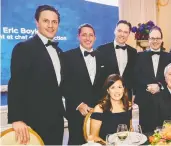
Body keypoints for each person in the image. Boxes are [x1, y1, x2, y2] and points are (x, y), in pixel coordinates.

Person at [8, 5, 65, 144]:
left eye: (54, 22)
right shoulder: (24, 48)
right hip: (33, 123)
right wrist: (17, 119)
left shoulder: (59, 52)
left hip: (57, 122)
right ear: (37, 22)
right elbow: (16, 85)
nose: (51, 25)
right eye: (46, 21)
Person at [63, 24, 110, 145]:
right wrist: (78, 104)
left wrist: (103, 105)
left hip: (99, 112)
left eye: (91, 35)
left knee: (98, 142)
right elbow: (63, 84)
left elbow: (105, 85)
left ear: (95, 37)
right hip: (77, 112)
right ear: (78, 37)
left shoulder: (103, 57)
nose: (87, 38)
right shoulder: (67, 57)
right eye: (84, 35)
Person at [134, 26, 171, 132]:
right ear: (148, 40)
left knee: (165, 134)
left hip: (164, 102)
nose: (155, 41)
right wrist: (148, 86)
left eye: (158, 38)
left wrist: (160, 86)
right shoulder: (138, 56)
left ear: (162, 40)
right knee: (145, 134)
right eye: (152, 38)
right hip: (144, 103)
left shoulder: (170, 56)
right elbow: (136, 76)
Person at [97, 20, 137, 101]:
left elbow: (134, 76)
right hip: (107, 97)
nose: (122, 34)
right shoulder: (102, 50)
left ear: (129, 34)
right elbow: (98, 77)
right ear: (115, 31)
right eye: (119, 31)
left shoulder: (133, 52)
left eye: (125, 32)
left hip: (126, 97)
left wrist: (134, 94)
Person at [89, 74, 132, 143]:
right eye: (112, 87)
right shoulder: (100, 108)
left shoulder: (128, 105)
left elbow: (130, 129)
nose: (117, 91)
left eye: (119, 87)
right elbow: (93, 137)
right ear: (108, 90)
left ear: (123, 89)